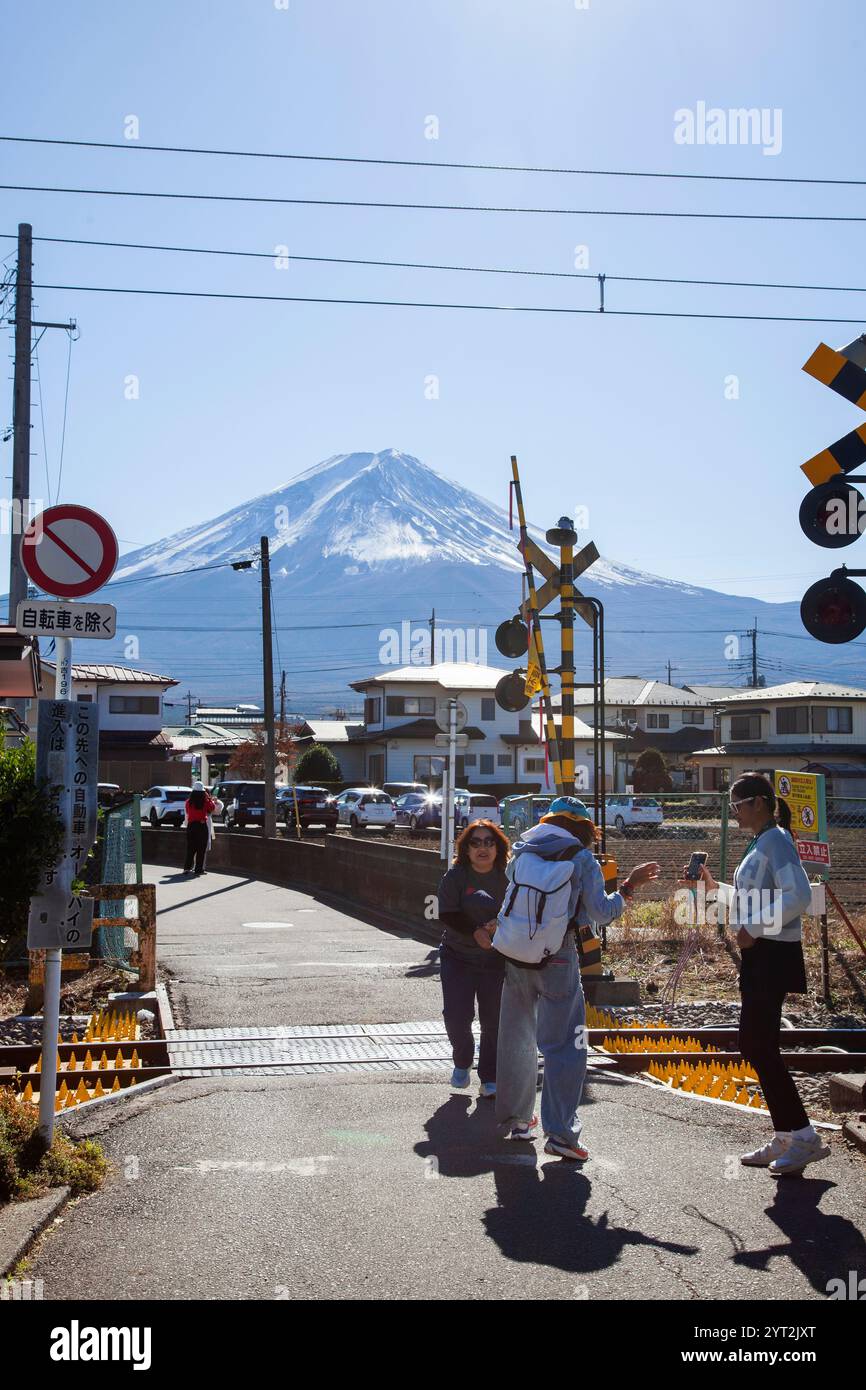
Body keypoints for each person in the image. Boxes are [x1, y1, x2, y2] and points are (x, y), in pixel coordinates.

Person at [495, 796, 660, 1161]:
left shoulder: (523, 850)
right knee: (564, 1046)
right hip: (558, 955)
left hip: (515, 952)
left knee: (516, 1037)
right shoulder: (582, 859)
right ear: (584, 828)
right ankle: (561, 1134)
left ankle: (518, 1121)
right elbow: (600, 913)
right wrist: (628, 888)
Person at [682, 772, 828, 1177]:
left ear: (759, 803)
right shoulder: (763, 841)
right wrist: (715, 887)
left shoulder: (777, 840)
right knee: (757, 1044)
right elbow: (755, 896)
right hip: (763, 953)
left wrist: (755, 929)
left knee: (759, 1045)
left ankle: (803, 1136)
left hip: (772, 954)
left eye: (738, 804)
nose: (734, 812)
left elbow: (797, 894)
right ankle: (787, 1135)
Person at [437, 819, 511, 1097]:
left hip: (495, 961)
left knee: (493, 1020)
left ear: (498, 847)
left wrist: (499, 923)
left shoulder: (508, 878)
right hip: (457, 957)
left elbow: (518, 909)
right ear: (466, 849)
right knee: (457, 1016)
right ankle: (462, 1060)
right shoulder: (456, 877)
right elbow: (447, 913)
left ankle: (489, 1076)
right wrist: (476, 931)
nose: (483, 848)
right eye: (475, 842)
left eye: (489, 842)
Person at [183, 781, 216, 876]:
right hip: (201, 825)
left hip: (191, 826)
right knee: (201, 849)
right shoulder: (205, 802)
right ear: (203, 792)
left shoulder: (188, 802)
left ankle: (187, 868)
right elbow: (212, 808)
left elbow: (188, 812)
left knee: (191, 848)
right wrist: (209, 798)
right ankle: (198, 869)